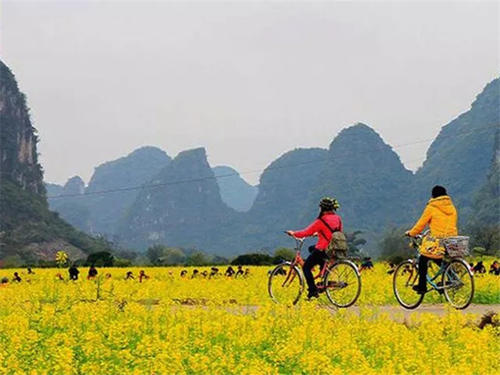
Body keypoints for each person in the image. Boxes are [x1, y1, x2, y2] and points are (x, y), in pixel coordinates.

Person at [287, 197, 342, 299]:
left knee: (306, 267)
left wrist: (293, 233)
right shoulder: (337, 218)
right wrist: (320, 233)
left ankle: (312, 290)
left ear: (322, 209)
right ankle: (324, 274)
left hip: (323, 249)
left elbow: (306, 232)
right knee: (312, 249)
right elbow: (337, 232)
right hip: (334, 248)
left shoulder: (321, 220)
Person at [406, 186, 457, 294]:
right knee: (438, 258)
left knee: (423, 259)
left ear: (433, 195)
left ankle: (422, 286)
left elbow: (421, 225)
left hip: (438, 241)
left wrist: (411, 233)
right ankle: (452, 277)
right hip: (452, 240)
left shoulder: (432, 207)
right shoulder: (451, 207)